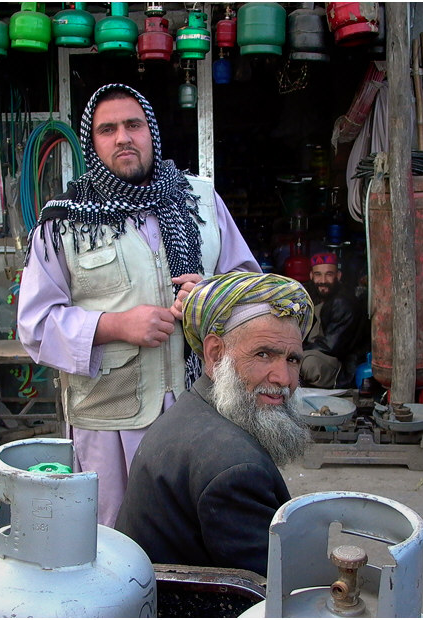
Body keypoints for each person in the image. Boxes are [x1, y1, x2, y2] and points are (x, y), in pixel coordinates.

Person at [17, 83, 259, 527]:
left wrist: (211, 294)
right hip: (110, 420)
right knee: (114, 540)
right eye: (107, 129)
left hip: (202, 407)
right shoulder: (63, 221)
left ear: (152, 133)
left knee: (195, 528)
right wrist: (114, 325)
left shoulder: (200, 199)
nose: (123, 137)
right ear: (93, 143)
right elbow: (35, 326)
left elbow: (250, 287)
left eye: (134, 124)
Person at [115, 272, 314, 577]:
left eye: (292, 360)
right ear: (215, 353)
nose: (284, 379)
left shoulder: (195, 408)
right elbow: (278, 590)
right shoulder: (235, 469)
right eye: (263, 354)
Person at [300, 252, 363, 388]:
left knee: (305, 364)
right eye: (318, 275)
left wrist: (297, 351)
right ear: (311, 276)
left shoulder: (343, 302)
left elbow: (331, 346)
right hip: (315, 351)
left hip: (339, 365)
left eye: (329, 274)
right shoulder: (311, 296)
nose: (323, 280)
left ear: (338, 276)